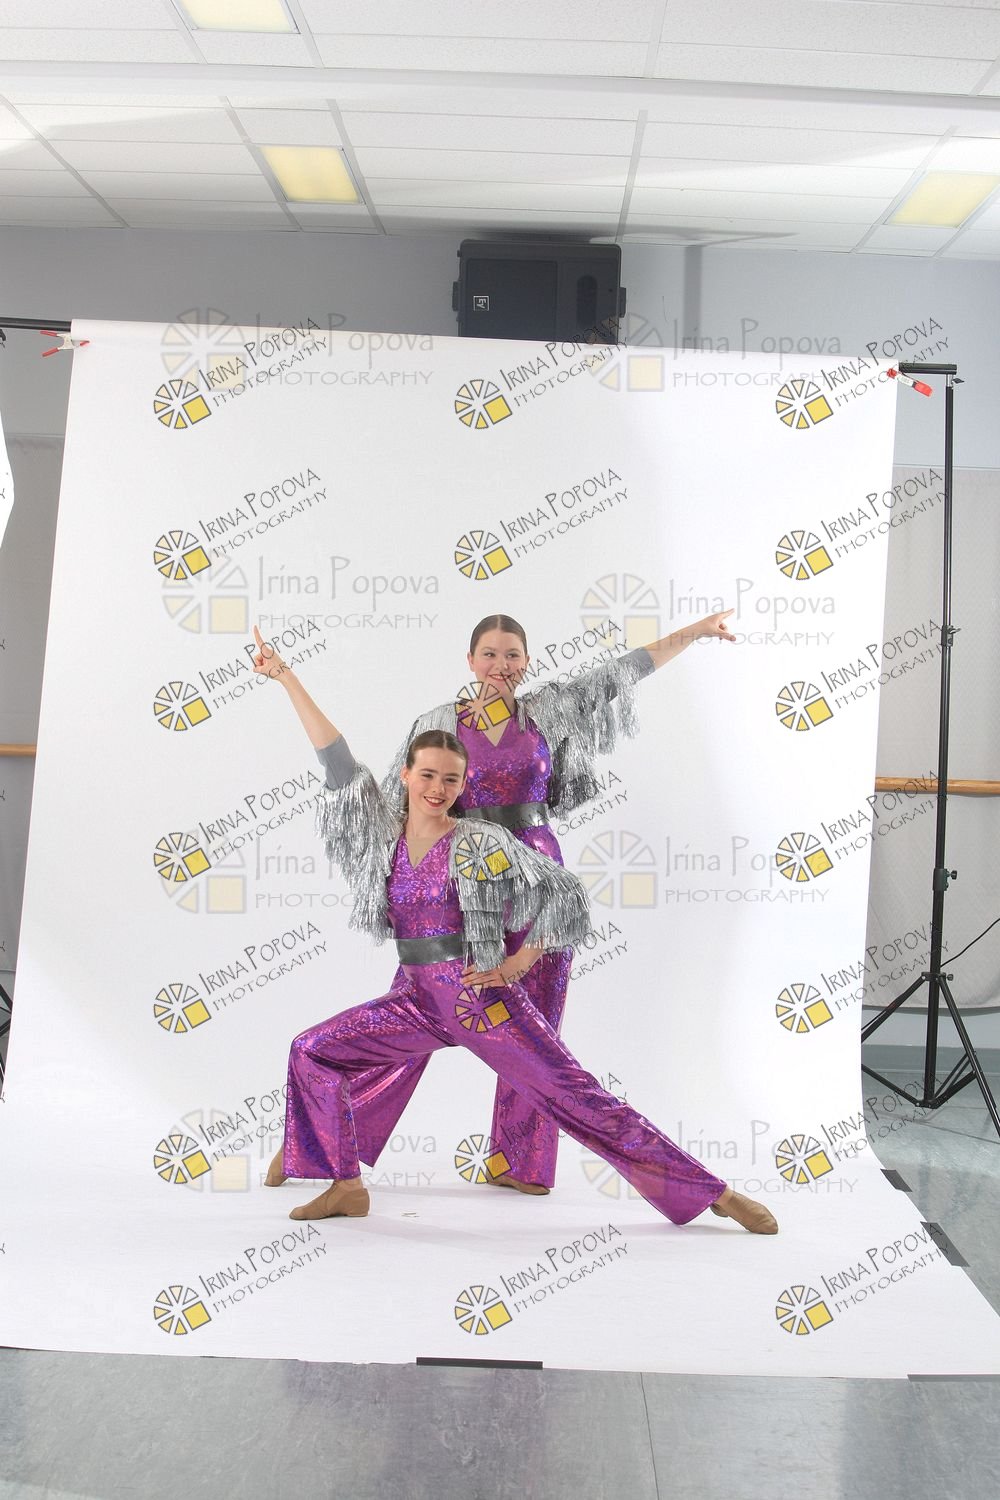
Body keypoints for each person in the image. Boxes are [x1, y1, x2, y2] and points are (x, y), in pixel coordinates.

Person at [254, 628, 777, 1236]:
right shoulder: (385, 832)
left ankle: (713, 1193)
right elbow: (337, 759)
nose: (437, 789)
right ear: (405, 775)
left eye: (451, 780)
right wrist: (287, 678)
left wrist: (516, 963)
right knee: (312, 1049)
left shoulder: (478, 839)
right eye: (427, 776)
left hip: (479, 1000)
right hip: (418, 1000)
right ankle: (342, 1179)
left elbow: (565, 897)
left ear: (463, 786)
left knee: (573, 1094)